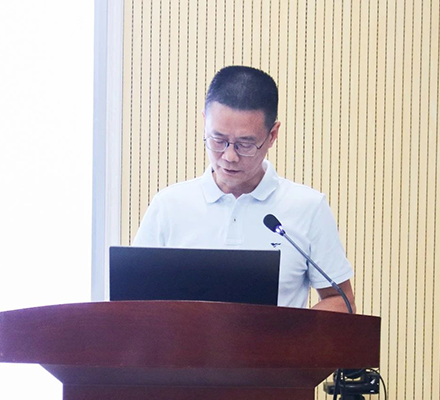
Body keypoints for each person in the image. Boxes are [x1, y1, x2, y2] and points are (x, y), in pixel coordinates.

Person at [133, 65, 356, 313]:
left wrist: (289, 332)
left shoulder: (308, 207)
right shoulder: (168, 206)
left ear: (272, 135)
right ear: (205, 123)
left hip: (277, 340)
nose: (229, 156)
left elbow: (342, 301)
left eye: (245, 144)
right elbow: (132, 301)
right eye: (218, 140)